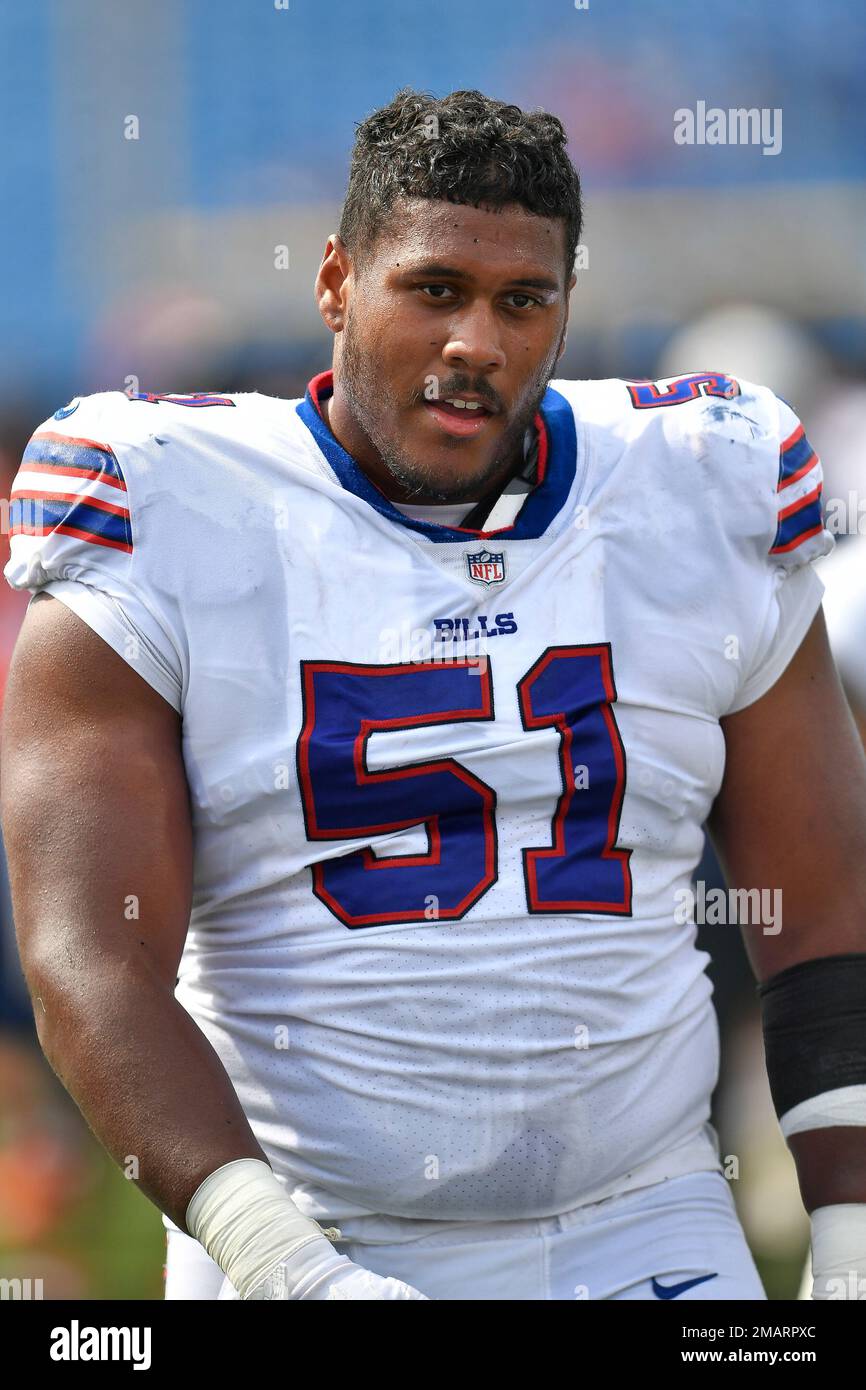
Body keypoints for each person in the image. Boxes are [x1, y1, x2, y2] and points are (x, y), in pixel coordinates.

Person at [3, 87, 866, 1302]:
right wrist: (279, 1262)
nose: (478, 341)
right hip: (305, 1220)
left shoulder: (696, 484)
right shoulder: (162, 499)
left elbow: (825, 919)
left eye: (524, 301)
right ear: (336, 284)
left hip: (643, 1221)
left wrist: (849, 1231)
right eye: (433, 289)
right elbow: (84, 954)